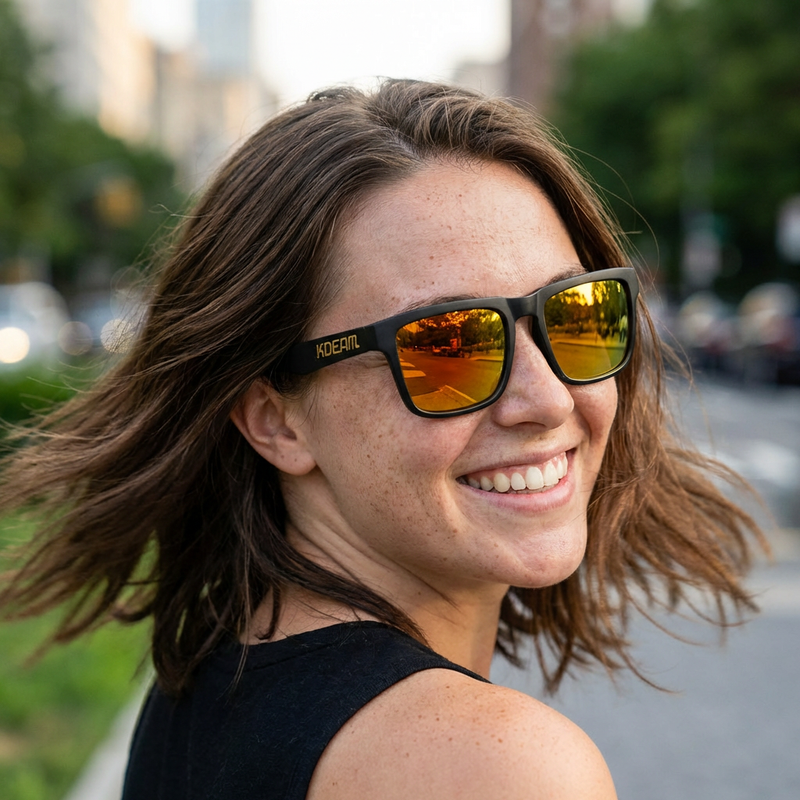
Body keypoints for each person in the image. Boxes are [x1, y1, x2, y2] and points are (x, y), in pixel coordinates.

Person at [0, 80, 765, 799]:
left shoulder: (216, 673)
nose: (548, 397)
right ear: (274, 418)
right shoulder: (495, 769)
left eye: (575, 314)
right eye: (447, 346)